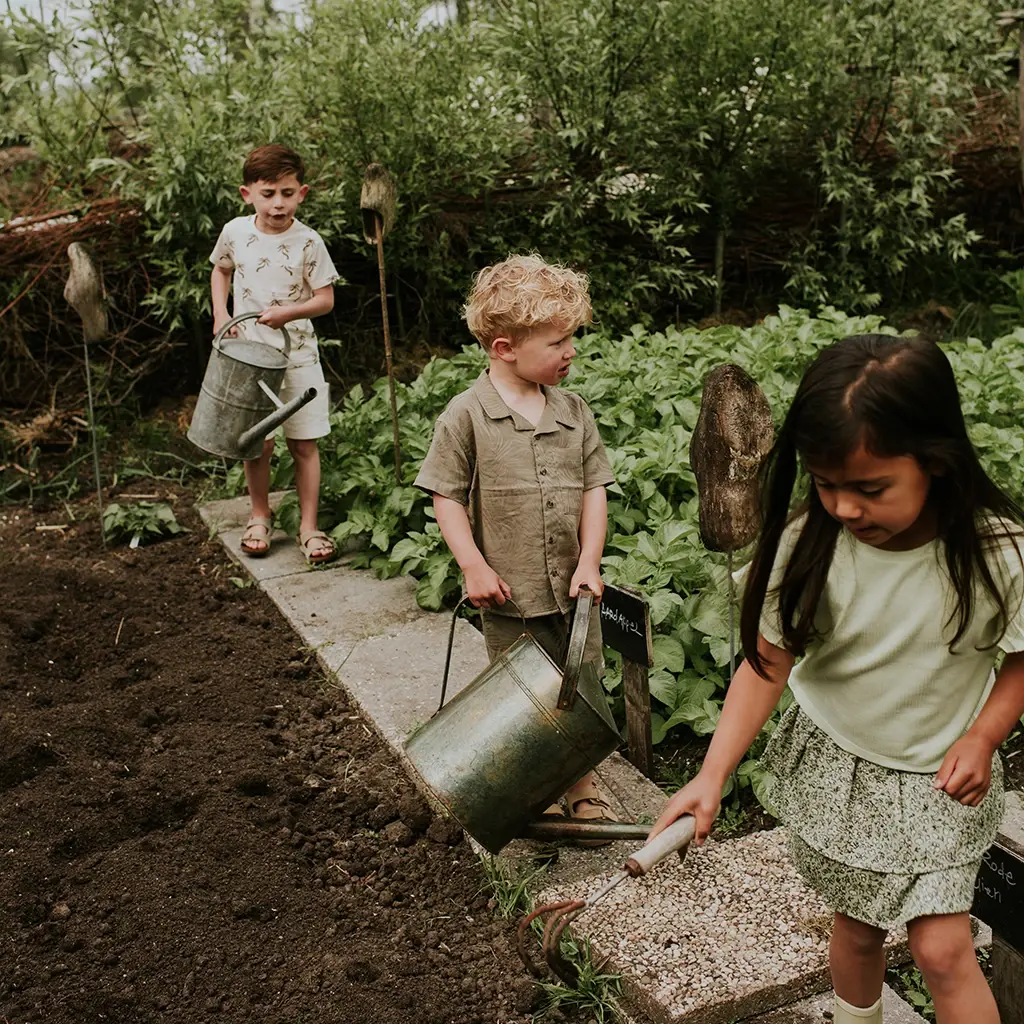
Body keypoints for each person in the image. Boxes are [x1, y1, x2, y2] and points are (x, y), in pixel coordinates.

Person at [649, 335, 1024, 1024]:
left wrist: (985, 734)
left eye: (870, 488)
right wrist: (709, 776)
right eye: (826, 484)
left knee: (943, 951)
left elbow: (1022, 657)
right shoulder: (809, 544)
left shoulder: (996, 553)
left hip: (940, 779)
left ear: (935, 461)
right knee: (855, 928)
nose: (845, 508)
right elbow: (767, 665)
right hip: (843, 771)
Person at [415, 253, 619, 836]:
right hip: (508, 592)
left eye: (572, 338)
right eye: (558, 342)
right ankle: (539, 784)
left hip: (572, 587)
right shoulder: (466, 416)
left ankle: (582, 783)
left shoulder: (573, 411)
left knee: (580, 684)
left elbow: (593, 489)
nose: (571, 351)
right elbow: (446, 497)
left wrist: (589, 561)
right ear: (504, 348)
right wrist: (473, 565)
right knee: (524, 695)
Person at [210, 143, 339, 564]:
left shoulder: (310, 242)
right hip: (250, 358)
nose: (278, 203)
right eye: (268, 194)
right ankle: (260, 516)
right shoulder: (235, 232)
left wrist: (289, 313)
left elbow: (325, 300)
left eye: (287, 193)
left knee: (304, 443)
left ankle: (308, 527)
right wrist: (220, 315)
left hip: (299, 356)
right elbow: (221, 270)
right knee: (259, 445)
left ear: (302, 193)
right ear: (247, 194)